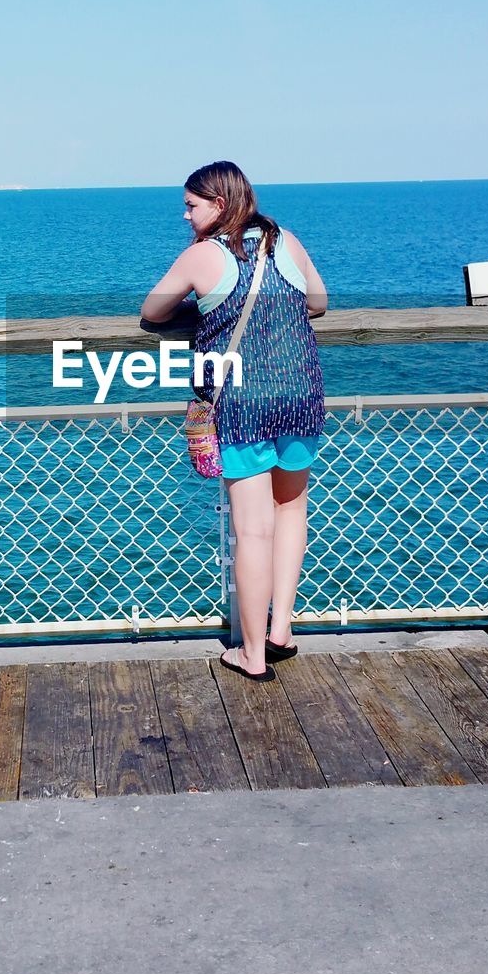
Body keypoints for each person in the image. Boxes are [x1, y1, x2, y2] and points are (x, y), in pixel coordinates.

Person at [141, 161, 327, 681]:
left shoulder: (205, 255)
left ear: (218, 205)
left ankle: (250, 655)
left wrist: (206, 309)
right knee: (290, 511)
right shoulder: (283, 240)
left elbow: (152, 310)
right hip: (300, 392)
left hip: (243, 403)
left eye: (191, 205)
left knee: (252, 531)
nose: (185, 215)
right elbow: (319, 301)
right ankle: (281, 632)